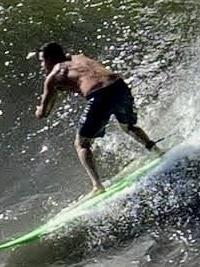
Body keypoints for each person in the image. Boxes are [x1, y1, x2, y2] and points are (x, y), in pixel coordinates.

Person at [32, 43, 161, 190]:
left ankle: (97, 185)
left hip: (100, 96)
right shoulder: (80, 57)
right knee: (129, 126)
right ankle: (157, 151)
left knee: (81, 144)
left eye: (42, 61)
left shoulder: (54, 75)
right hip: (119, 85)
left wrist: (38, 111)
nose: (42, 65)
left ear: (51, 59)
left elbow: (44, 112)